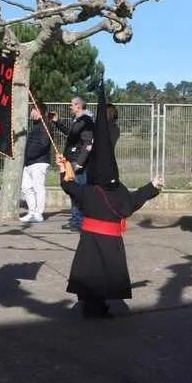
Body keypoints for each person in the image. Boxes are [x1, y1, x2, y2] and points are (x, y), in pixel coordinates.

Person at [57, 83, 163, 319]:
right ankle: (99, 305)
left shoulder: (88, 191)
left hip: (89, 240)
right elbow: (133, 201)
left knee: (89, 271)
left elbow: (68, 185)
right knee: (105, 273)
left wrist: (64, 167)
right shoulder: (120, 192)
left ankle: (90, 304)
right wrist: (152, 187)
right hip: (111, 241)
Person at [50, 97, 94, 231]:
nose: (70, 107)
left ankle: (79, 221)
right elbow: (71, 134)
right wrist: (57, 122)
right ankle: (76, 218)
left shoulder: (86, 121)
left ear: (79, 106)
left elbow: (88, 143)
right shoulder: (79, 120)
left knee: (77, 191)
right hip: (71, 160)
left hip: (77, 162)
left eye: (72, 105)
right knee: (73, 190)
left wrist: (80, 163)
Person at [21, 105, 51, 223]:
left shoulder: (45, 125)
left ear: (39, 112)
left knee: (39, 187)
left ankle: (39, 213)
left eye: (33, 110)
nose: (31, 113)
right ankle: (32, 212)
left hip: (39, 162)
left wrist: (29, 155)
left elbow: (43, 144)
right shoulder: (36, 126)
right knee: (26, 187)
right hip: (29, 163)